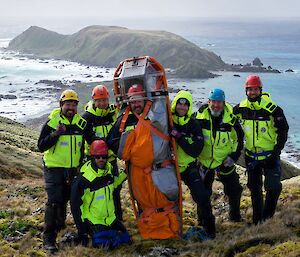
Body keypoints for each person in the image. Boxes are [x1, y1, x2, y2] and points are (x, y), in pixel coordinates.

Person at [38, 89, 96, 252]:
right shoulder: (52, 122)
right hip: (54, 169)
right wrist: (56, 134)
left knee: (74, 200)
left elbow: (92, 141)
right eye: (67, 104)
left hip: (73, 170)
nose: (70, 107)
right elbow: (41, 146)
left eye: (73, 104)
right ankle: (49, 239)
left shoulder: (81, 123)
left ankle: (69, 229)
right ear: (61, 105)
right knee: (55, 202)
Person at [233, 75, 289, 224]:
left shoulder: (272, 109)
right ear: (246, 91)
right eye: (250, 90)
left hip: (270, 155)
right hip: (251, 156)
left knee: (273, 188)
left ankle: (267, 220)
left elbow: (283, 130)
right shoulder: (240, 108)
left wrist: (276, 152)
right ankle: (258, 221)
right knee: (255, 189)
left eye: (255, 89)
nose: (252, 92)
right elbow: (227, 119)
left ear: (260, 90)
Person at [170, 90, 216, 239]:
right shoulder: (168, 120)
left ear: (189, 107)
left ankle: (210, 231)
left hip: (189, 167)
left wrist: (178, 136)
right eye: (180, 103)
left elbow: (195, 151)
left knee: (202, 197)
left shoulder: (193, 124)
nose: (182, 107)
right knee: (170, 200)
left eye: (186, 104)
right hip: (170, 168)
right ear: (175, 104)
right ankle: (170, 229)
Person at [195, 88, 244, 223]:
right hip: (204, 162)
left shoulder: (231, 120)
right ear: (209, 102)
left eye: (220, 102)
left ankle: (234, 218)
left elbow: (239, 139)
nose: (216, 105)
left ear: (224, 103)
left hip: (224, 161)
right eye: (214, 102)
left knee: (234, 190)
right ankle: (203, 221)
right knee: (203, 194)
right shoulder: (198, 118)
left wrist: (233, 156)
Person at [70, 140, 130, 249]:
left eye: (104, 156)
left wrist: (125, 173)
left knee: (126, 239)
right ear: (92, 157)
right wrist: (82, 230)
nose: (101, 159)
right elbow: (75, 205)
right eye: (98, 157)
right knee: (104, 245)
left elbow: (114, 184)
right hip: (94, 219)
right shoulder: (83, 179)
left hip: (110, 218)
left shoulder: (109, 170)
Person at [82, 85, 123, 221]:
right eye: (99, 100)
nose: (102, 103)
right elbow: (88, 139)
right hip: (95, 162)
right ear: (94, 100)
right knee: (96, 191)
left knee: (115, 189)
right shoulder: (87, 117)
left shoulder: (112, 113)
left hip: (111, 160)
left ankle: (117, 218)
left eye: (105, 100)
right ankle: (95, 219)